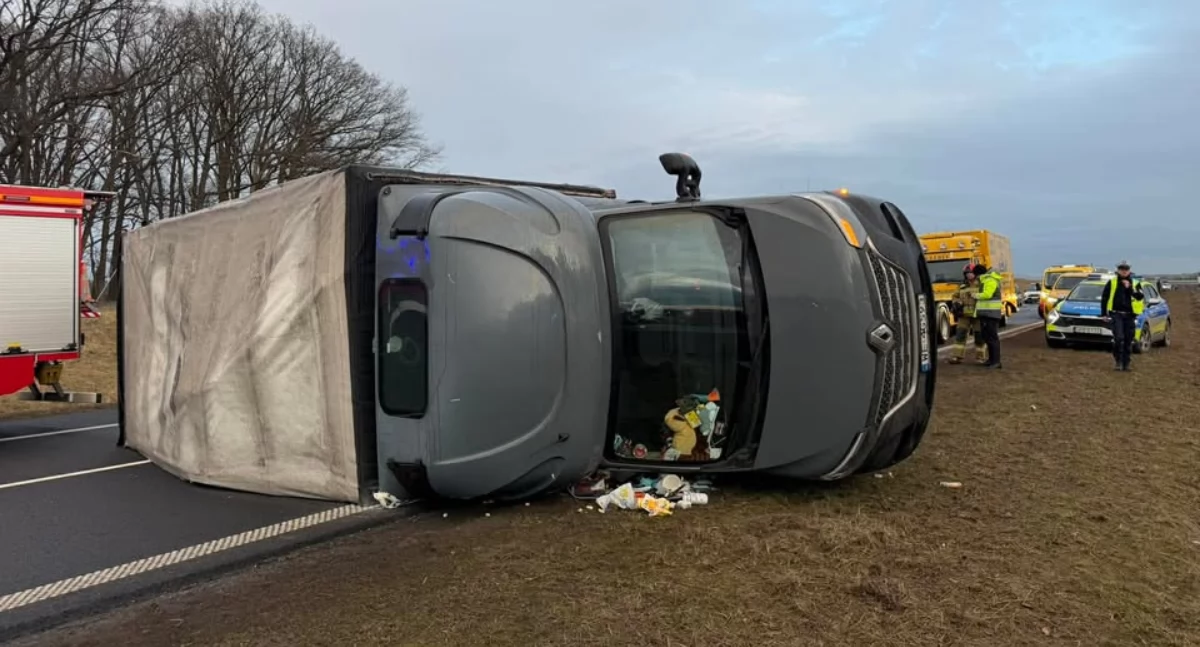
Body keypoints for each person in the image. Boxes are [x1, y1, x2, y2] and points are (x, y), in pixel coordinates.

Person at [1100, 261, 1144, 371]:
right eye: (1121, 269)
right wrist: (1103, 314)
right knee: (1119, 338)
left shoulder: (1135, 283)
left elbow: (1140, 296)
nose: (1124, 271)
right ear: (1118, 270)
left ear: (1129, 270)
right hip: (1116, 314)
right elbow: (1104, 298)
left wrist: (1130, 288)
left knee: (1129, 339)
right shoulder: (1112, 282)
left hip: (1130, 315)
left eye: (1126, 269)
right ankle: (1118, 361)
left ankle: (1126, 363)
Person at [948, 264, 987, 365]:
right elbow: (955, 296)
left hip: (977, 315)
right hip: (964, 315)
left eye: (971, 273)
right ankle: (957, 356)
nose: (969, 275)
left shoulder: (981, 284)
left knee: (979, 337)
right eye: (967, 273)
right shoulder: (962, 286)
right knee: (960, 335)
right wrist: (956, 303)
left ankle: (980, 358)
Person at [972, 263, 1005, 369]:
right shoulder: (985, 280)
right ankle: (991, 360)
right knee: (987, 337)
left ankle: (996, 361)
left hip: (991, 314)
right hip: (986, 314)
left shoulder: (989, 280)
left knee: (992, 338)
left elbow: (988, 294)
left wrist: (976, 295)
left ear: (978, 274)